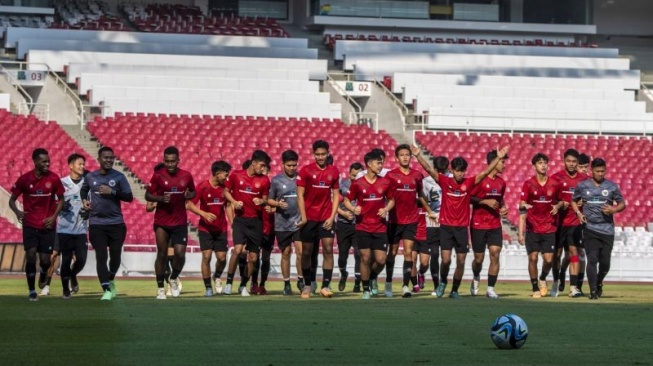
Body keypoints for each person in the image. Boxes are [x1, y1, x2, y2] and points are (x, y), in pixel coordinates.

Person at [412, 145, 509, 299]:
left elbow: (484, 173)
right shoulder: (444, 181)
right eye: (457, 170)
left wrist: (498, 157)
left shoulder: (469, 183)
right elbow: (430, 171)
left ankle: (455, 290)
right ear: (452, 170)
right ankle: (443, 282)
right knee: (445, 260)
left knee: (462, 261)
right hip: (446, 227)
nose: (459, 173)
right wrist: (417, 156)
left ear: (465, 171)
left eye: (462, 170)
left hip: (462, 228)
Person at [9, 148, 64, 301]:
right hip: (30, 225)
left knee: (46, 260)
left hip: (48, 225)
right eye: (44, 161)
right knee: (31, 255)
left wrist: (53, 217)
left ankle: (43, 274)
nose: (47, 164)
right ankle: (32, 291)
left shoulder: (53, 178)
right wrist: (18, 213)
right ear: (35, 162)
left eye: (48, 161)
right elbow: (11, 200)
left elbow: (62, 199)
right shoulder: (24, 179)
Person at [81, 146, 133, 300]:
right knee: (101, 256)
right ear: (99, 159)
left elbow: (129, 197)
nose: (109, 160)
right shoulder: (91, 177)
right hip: (97, 224)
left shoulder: (119, 177)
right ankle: (106, 289)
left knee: (115, 257)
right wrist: (84, 200)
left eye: (111, 157)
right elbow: (84, 190)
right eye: (106, 157)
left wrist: (113, 192)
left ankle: (110, 279)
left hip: (116, 224)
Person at [343, 149, 395, 299]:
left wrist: (386, 209)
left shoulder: (385, 182)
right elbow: (346, 200)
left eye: (381, 162)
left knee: (381, 260)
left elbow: (392, 200)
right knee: (365, 257)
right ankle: (366, 289)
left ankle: (372, 277)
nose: (380, 165)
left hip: (379, 227)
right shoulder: (358, 183)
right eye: (378, 163)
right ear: (369, 164)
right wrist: (353, 208)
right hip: (362, 226)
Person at [571, 158, 625, 300]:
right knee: (592, 259)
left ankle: (599, 281)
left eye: (603, 171)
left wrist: (613, 209)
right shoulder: (583, 186)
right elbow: (574, 201)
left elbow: (622, 204)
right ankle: (593, 291)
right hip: (590, 229)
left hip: (607, 229)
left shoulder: (611, 186)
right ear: (591, 171)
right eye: (597, 171)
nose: (600, 174)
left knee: (605, 263)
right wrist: (578, 213)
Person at [146, 146, 196, 299]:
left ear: (178, 161)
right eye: (167, 161)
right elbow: (148, 195)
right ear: (164, 161)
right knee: (161, 254)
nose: (170, 164)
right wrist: (160, 199)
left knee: (180, 254)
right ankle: (161, 288)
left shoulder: (187, 176)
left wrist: (189, 194)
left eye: (173, 161)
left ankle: (174, 277)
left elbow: (193, 192)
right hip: (161, 222)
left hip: (180, 222)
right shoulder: (158, 176)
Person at [223, 150, 271, 296]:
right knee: (237, 250)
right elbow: (226, 191)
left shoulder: (264, 180)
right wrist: (233, 202)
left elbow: (265, 199)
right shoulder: (236, 175)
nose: (263, 169)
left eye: (264, 166)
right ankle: (229, 283)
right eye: (261, 165)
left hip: (256, 222)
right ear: (253, 162)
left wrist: (262, 201)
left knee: (254, 257)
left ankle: (243, 285)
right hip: (240, 220)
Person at [296, 140, 340, 299]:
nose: (320, 157)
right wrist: (304, 217)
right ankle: (307, 285)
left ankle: (326, 285)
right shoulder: (306, 171)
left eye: (323, 154)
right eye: (318, 154)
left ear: (328, 153)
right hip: (309, 218)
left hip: (326, 217)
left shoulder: (334, 171)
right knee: (307, 252)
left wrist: (332, 216)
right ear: (313, 154)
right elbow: (299, 195)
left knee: (328, 249)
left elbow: (336, 195)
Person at [518, 153, 564, 299]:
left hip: (549, 227)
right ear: (534, 166)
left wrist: (558, 206)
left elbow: (563, 201)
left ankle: (542, 278)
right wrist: (524, 205)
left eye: (545, 162)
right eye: (540, 163)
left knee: (549, 259)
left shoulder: (555, 184)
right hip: (532, 228)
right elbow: (521, 204)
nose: (543, 165)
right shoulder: (528, 184)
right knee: (533, 258)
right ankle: (534, 287)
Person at [385, 144, 428, 298]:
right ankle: (388, 283)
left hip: (411, 220)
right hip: (395, 221)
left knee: (408, 252)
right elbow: (384, 194)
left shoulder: (417, 175)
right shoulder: (390, 175)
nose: (404, 157)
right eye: (401, 155)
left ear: (410, 157)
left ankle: (405, 286)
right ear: (396, 158)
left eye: (407, 154)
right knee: (393, 252)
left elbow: (421, 194)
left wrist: (429, 211)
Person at [186, 160, 232, 297]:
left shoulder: (225, 188)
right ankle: (208, 288)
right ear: (217, 174)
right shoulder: (203, 187)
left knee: (222, 258)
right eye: (225, 175)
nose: (227, 177)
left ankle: (217, 276)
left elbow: (228, 206)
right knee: (206, 256)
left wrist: (232, 223)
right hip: (205, 229)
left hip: (221, 228)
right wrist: (203, 214)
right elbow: (190, 205)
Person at [469, 150, 508, 299]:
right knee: (478, 259)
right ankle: (476, 275)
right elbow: (469, 198)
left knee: (495, 253)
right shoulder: (480, 180)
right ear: (494, 162)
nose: (504, 165)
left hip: (494, 224)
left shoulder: (501, 182)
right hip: (478, 224)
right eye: (502, 161)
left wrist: (503, 208)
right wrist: (485, 202)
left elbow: (500, 199)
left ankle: (490, 288)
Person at [551, 149, 588, 298]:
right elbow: (549, 199)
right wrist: (559, 204)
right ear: (564, 161)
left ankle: (573, 287)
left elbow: (590, 198)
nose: (571, 164)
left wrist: (583, 201)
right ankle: (556, 281)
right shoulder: (556, 178)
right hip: (558, 223)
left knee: (574, 253)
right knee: (557, 255)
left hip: (575, 222)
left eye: (574, 162)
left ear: (577, 163)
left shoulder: (585, 180)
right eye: (569, 161)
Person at [267, 150, 304, 295]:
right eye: (289, 165)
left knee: (301, 251)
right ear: (283, 164)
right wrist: (277, 204)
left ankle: (300, 279)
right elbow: (269, 200)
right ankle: (287, 283)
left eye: (294, 165)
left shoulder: (301, 178)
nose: (292, 168)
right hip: (282, 224)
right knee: (286, 253)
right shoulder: (276, 180)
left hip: (298, 222)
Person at [56, 153, 89, 299]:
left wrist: (89, 210)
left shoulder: (87, 183)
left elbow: (91, 203)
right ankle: (65, 290)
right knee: (66, 259)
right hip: (64, 228)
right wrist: (61, 207)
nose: (82, 166)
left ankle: (73, 275)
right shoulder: (62, 183)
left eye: (83, 164)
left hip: (81, 229)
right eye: (79, 164)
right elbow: (53, 203)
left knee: (81, 259)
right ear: (71, 166)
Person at [416, 156, 447, 296]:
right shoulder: (426, 182)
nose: (441, 173)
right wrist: (429, 211)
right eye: (438, 170)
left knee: (446, 257)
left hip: (448, 222)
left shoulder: (451, 179)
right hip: (432, 221)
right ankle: (436, 286)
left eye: (443, 170)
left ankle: (443, 282)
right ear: (434, 168)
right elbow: (421, 199)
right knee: (434, 254)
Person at [336, 162, 363, 292]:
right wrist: (344, 213)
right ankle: (343, 273)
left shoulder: (364, 186)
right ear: (349, 173)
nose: (355, 178)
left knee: (359, 254)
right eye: (353, 175)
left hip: (359, 225)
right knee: (342, 255)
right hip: (343, 224)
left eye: (357, 176)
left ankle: (358, 282)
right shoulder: (342, 185)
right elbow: (333, 202)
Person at [251, 164, 275, 295]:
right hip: (256, 226)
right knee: (255, 257)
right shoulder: (255, 187)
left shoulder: (275, 188)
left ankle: (262, 284)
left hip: (270, 227)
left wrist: (274, 208)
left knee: (266, 258)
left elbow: (282, 205)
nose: (262, 172)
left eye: (265, 170)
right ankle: (253, 283)